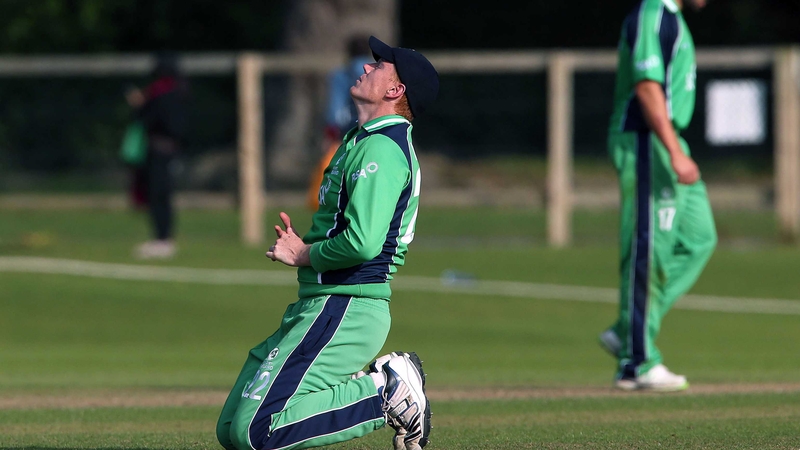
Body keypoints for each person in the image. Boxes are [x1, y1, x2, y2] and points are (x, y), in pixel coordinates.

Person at [216, 36, 439, 450]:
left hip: (346, 305)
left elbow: (364, 241)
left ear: (396, 90)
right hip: (323, 301)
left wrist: (304, 253)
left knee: (256, 431)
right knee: (231, 429)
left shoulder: (382, 150)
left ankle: (386, 394)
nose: (367, 67)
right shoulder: (362, 139)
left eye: (379, 66)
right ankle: (373, 389)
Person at [600, 0, 717, 391]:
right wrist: (675, 150)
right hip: (648, 140)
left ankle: (626, 330)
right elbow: (648, 87)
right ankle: (636, 361)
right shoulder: (652, 13)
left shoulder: (672, 17)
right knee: (648, 249)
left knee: (699, 238)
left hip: (666, 140)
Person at [125, 53, 188, 259]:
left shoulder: (159, 93)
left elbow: (149, 119)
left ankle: (162, 239)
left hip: (158, 150)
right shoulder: (181, 91)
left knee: (158, 195)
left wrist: (139, 104)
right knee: (161, 195)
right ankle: (163, 238)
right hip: (171, 150)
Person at [306, 34, 374, 210]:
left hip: (345, 134)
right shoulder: (376, 73)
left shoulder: (340, 75)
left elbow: (334, 110)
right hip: (372, 132)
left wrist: (329, 135)